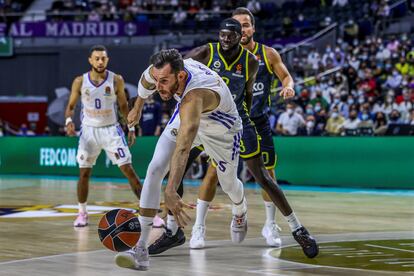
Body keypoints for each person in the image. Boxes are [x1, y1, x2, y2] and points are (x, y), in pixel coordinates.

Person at [150, 15, 318, 258]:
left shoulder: (251, 61)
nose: (226, 39)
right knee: (177, 165)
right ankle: (177, 230)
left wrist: (247, 120)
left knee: (260, 176)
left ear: (242, 36)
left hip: (230, 123)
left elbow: (248, 94)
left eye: (231, 35)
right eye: (222, 35)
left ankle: (297, 228)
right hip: (199, 116)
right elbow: (176, 68)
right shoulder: (206, 52)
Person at [115, 49, 247, 270]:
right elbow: (145, 81)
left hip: (222, 130)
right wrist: (138, 107)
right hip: (186, 118)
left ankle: (240, 208)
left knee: (229, 184)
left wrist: (171, 189)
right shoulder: (162, 73)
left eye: (164, 81)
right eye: (158, 80)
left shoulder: (195, 95)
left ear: (181, 76)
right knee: (155, 169)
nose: (159, 87)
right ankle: (140, 249)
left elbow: (184, 147)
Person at [65, 45, 142, 227]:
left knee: (129, 170)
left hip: (111, 130)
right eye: (97, 58)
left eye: (103, 58)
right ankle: (82, 212)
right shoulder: (79, 81)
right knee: (84, 173)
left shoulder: (116, 80)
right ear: (90, 60)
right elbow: (70, 106)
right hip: (88, 131)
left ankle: (148, 211)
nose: (100, 61)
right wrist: (68, 121)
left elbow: (124, 107)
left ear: (107, 60)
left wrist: (130, 128)